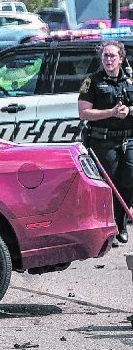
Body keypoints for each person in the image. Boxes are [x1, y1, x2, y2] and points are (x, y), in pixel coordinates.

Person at [78, 39, 133, 243]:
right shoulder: (93, 81)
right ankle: (109, 229)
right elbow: (83, 113)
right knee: (108, 185)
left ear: (121, 58)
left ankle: (121, 224)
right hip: (103, 141)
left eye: (112, 55)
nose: (108, 59)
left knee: (129, 182)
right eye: (105, 55)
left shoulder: (130, 80)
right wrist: (111, 112)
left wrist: (129, 110)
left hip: (128, 139)